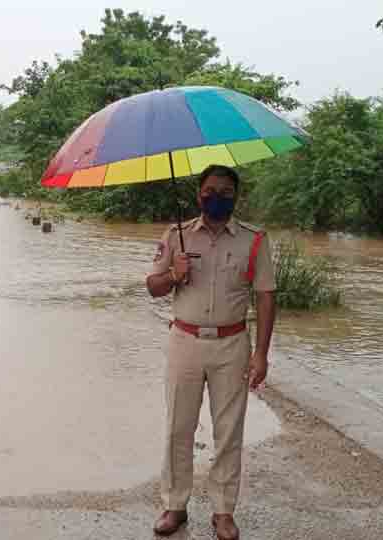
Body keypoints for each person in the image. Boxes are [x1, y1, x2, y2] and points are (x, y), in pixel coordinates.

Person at [145, 164, 277, 540]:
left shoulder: (254, 240)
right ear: (197, 193)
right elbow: (152, 286)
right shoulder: (176, 235)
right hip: (184, 341)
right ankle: (174, 505)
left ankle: (223, 512)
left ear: (237, 196)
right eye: (210, 190)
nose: (216, 197)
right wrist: (174, 273)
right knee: (177, 427)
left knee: (229, 431)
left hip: (233, 344)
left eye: (225, 191)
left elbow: (266, 297)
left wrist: (262, 355)